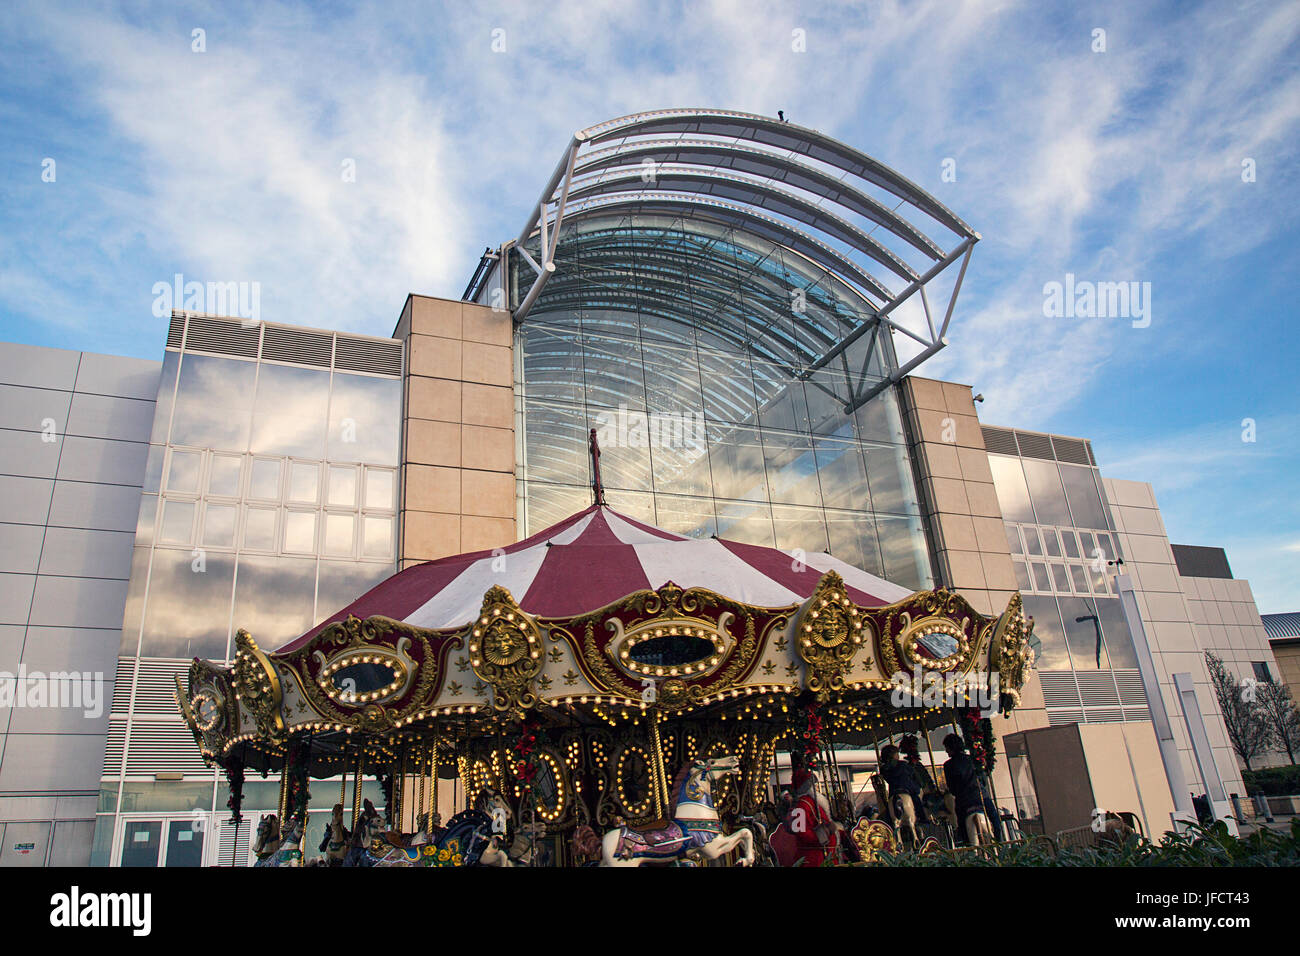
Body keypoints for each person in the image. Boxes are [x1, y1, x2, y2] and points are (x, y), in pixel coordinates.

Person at [942, 734, 985, 841]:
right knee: (993, 817)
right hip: (978, 798)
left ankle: (965, 840)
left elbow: (952, 788)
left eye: (947, 748)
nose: (946, 751)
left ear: (951, 747)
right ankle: (998, 837)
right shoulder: (971, 759)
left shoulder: (948, 765)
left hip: (963, 801)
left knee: (961, 823)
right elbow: (982, 779)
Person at [879, 744, 927, 824]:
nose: (898, 755)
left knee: (889, 807)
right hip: (906, 788)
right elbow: (912, 775)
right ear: (893, 755)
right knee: (916, 800)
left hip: (894, 792)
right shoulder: (903, 765)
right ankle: (922, 818)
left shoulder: (884, 768)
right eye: (897, 754)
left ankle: (890, 822)